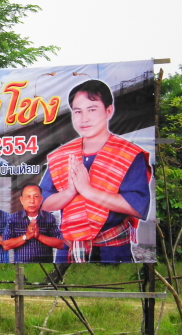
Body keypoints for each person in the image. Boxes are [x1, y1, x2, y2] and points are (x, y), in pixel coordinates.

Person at [40, 79, 151, 263]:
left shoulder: (127, 154)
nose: (84, 118)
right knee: (63, 283)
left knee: (113, 282)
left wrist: (88, 191)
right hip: (69, 247)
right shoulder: (62, 155)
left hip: (112, 249)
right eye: (78, 111)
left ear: (109, 111)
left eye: (92, 110)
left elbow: (137, 206)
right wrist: (69, 192)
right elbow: (42, 203)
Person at [3, 183, 64, 263]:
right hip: (21, 264)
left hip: (45, 264)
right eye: (28, 197)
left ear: (41, 199)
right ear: (21, 200)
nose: (32, 201)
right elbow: (5, 245)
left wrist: (39, 236)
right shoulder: (13, 218)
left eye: (35, 196)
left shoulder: (49, 217)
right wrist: (26, 236)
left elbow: (60, 244)